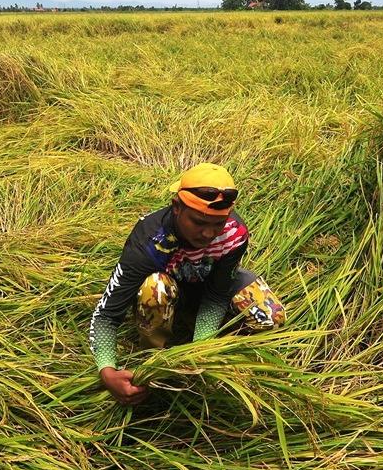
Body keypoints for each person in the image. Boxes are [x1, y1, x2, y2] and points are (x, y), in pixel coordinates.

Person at [90, 163, 286, 405]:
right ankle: (156, 359)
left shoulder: (234, 234)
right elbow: (107, 314)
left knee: (271, 317)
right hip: (167, 293)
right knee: (156, 287)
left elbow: (216, 294)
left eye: (217, 223)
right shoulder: (149, 241)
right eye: (198, 222)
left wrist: (200, 351)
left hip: (205, 290)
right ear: (177, 208)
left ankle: (210, 349)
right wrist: (106, 369)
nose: (208, 234)